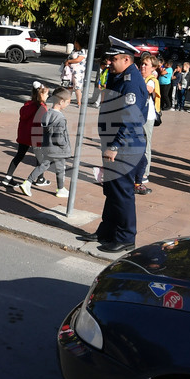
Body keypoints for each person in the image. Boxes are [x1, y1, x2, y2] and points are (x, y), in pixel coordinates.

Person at [77, 37, 149, 253]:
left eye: (114, 58)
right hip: (114, 143)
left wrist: (115, 146)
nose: (109, 62)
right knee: (112, 191)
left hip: (125, 147)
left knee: (122, 192)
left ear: (127, 59)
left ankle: (126, 237)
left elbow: (131, 119)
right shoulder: (120, 76)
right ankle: (107, 230)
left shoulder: (131, 82)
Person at [18, 87, 72, 197]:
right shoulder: (61, 118)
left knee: (43, 165)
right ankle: (61, 189)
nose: (68, 105)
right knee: (61, 168)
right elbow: (59, 137)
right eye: (68, 102)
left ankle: (28, 182)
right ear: (61, 101)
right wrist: (64, 145)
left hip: (47, 145)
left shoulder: (47, 113)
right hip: (58, 149)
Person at [2, 83, 50, 188]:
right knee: (40, 158)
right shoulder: (41, 108)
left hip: (24, 135)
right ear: (41, 95)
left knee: (19, 155)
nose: (48, 96)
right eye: (46, 94)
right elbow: (43, 123)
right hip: (36, 136)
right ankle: (40, 178)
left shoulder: (27, 105)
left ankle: (8, 177)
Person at [135, 53, 161, 195]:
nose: (143, 66)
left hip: (147, 117)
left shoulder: (151, 80)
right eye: (142, 64)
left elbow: (147, 91)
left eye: (146, 64)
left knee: (146, 145)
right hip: (137, 115)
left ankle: (144, 173)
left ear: (153, 68)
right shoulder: (141, 77)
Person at [63, 40, 88, 108]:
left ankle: (79, 102)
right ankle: (68, 100)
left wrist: (69, 61)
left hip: (78, 72)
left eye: (76, 43)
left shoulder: (83, 51)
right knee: (69, 86)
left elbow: (78, 60)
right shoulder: (74, 51)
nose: (74, 44)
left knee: (77, 87)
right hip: (70, 71)